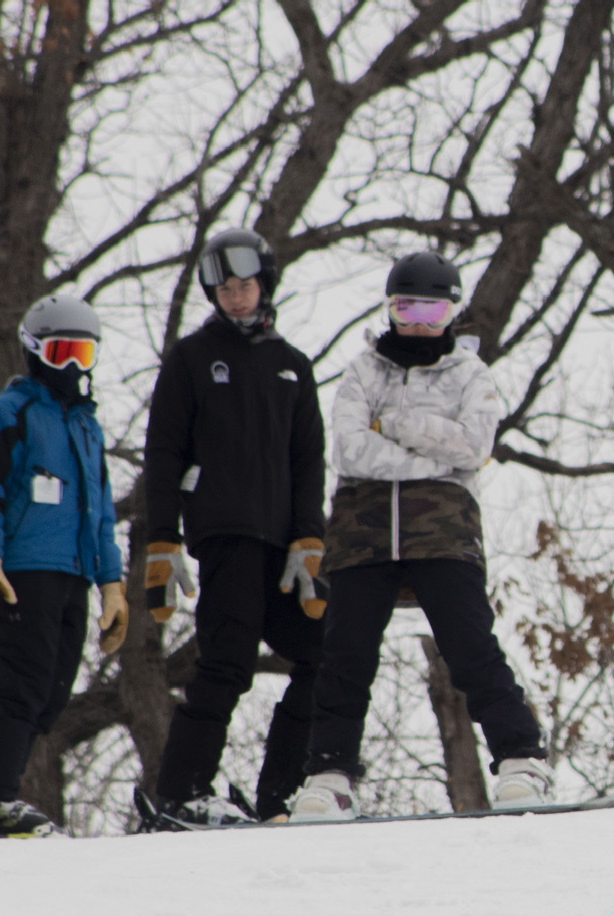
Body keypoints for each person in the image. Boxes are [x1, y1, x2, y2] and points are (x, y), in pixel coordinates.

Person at [287, 252, 553, 821]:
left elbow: (474, 446)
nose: (419, 323)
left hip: (443, 530)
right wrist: (434, 453)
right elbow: (350, 450)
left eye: (433, 309)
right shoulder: (364, 370)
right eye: (406, 307)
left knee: (470, 646)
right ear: (389, 309)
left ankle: (522, 760)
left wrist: (401, 425)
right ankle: (328, 775)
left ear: (453, 310)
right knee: (346, 655)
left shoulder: (469, 374)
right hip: (362, 531)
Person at [141, 227, 328, 825]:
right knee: (228, 663)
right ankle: (180, 792)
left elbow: (309, 461)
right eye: (224, 289)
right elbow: (163, 452)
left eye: (245, 285)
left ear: (264, 285)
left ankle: (280, 797)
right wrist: (163, 539)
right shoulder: (193, 358)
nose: (236, 297)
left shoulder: (292, 366)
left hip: (284, 545)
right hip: (226, 535)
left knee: (325, 654)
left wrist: (309, 538)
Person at [0, 296, 129, 837]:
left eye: (83, 353)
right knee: (19, 687)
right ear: (36, 352)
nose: (73, 366)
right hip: (23, 571)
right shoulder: (16, 411)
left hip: (73, 573)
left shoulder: (88, 426)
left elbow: (100, 513)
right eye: (61, 352)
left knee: (50, 695)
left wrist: (112, 583)